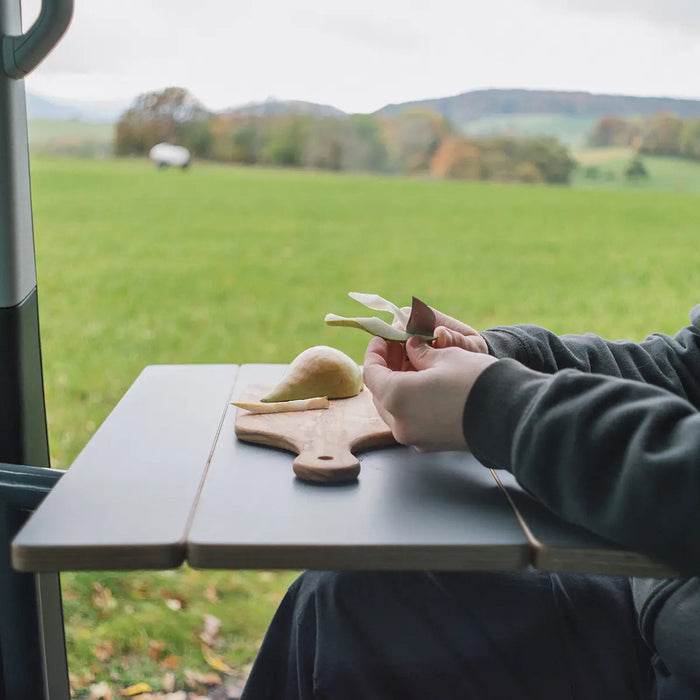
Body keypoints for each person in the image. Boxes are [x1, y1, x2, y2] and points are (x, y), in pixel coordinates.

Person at [241, 305, 700, 700]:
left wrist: (500, 407)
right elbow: (688, 369)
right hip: (661, 597)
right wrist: (501, 360)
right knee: (343, 597)